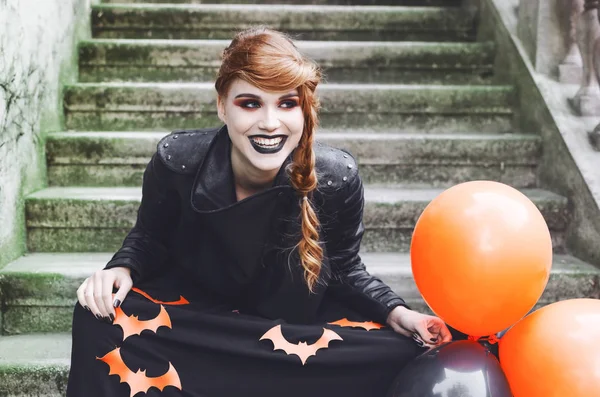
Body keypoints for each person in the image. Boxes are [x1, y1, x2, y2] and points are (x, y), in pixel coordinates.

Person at [66, 27, 452, 397]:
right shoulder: (177, 163)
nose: (269, 123)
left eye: (287, 103)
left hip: (289, 328)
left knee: (404, 351)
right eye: (250, 103)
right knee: (95, 313)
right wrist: (120, 269)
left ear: (305, 110)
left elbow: (346, 269)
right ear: (222, 106)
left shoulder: (335, 179)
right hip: (200, 324)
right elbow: (149, 238)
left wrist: (398, 313)